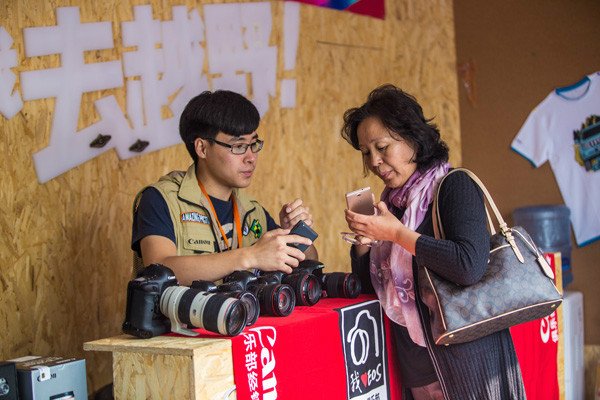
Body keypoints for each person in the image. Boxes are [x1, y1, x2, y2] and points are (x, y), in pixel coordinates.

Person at [341, 84, 526, 400]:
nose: (373, 161)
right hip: (416, 369)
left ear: (412, 138)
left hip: (468, 365)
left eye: (382, 147)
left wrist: (396, 234)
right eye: (365, 152)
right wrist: (365, 242)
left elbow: (468, 266)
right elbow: (372, 292)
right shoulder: (393, 204)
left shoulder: (455, 186)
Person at [132, 89, 317, 285]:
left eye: (254, 144)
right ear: (202, 148)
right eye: (238, 146)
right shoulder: (161, 199)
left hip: (242, 315)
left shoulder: (253, 210)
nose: (251, 157)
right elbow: (158, 271)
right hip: (182, 316)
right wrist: (250, 256)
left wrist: (295, 234)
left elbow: (310, 266)